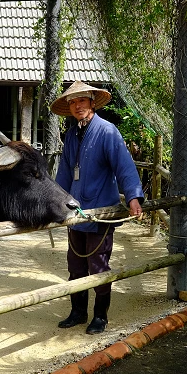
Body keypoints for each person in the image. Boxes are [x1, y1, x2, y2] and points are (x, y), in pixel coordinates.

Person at [53, 81, 144, 335]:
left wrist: (134, 196)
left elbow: (124, 166)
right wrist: (57, 202)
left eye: (81, 100)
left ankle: (100, 317)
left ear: (92, 102)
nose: (77, 105)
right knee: (76, 266)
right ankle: (78, 312)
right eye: (72, 102)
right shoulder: (71, 135)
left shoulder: (107, 131)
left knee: (98, 266)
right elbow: (64, 174)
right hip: (77, 213)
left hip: (101, 213)